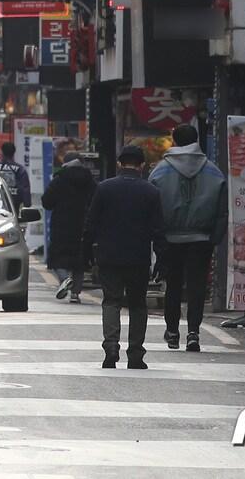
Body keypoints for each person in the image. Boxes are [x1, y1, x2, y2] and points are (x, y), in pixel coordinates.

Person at [148, 124, 228, 353]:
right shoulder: (213, 171)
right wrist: (215, 238)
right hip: (201, 239)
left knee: (172, 286)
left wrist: (157, 237)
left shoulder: (160, 171)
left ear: (174, 141)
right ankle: (193, 332)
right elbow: (222, 211)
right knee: (197, 287)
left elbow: (152, 208)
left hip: (170, 239)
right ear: (197, 140)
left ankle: (172, 332)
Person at [85, 145, 164, 369]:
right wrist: (161, 259)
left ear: (119, 164)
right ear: (142, 166)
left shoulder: (104, 188)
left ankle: (111, 347)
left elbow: (90, 224)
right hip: (138, 257)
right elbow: (158, 230)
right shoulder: (151, 192)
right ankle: (136, 354)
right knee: (138, 304)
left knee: (111, 301)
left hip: (109, 256)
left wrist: (87, 252)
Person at [43, 145, 96, 303]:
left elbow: (47, 202)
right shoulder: (90, 180)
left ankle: (65, 279)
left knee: (59, 257)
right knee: (79, 259)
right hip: (83, 224)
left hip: (62, 224)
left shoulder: (59, 179)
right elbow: (97, 199)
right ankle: (75, 294)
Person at [0, 142, 31, 207]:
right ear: (14, 153)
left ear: (1, 152)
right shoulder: (20, 169)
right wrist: (27, 206)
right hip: (14, 206)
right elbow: (25, 190)